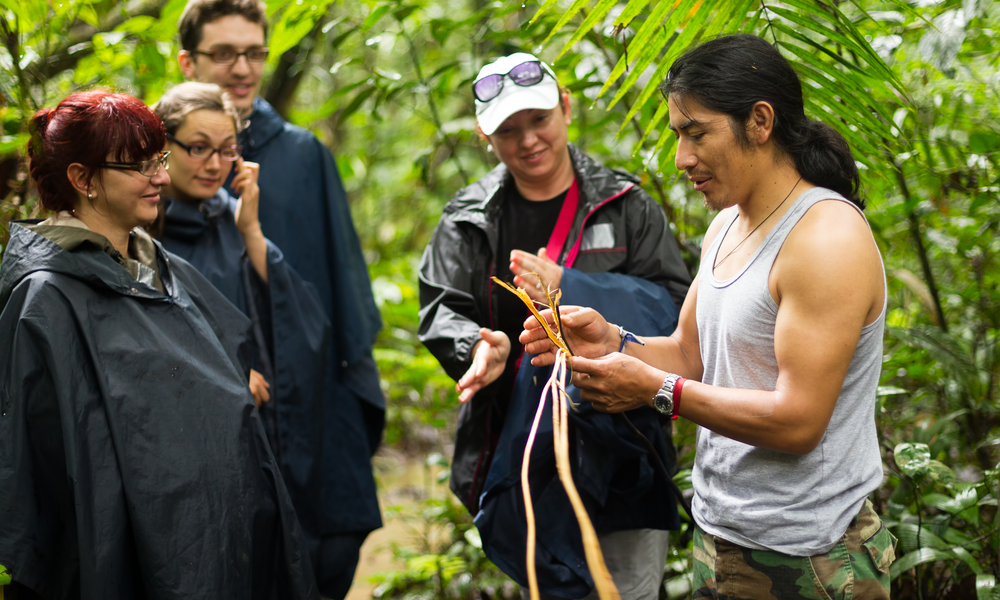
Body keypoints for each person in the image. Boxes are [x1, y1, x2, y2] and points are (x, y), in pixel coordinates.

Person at [523, 35, 897, 598]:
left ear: (760, 121)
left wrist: (656, 390)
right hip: (720, 541)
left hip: (814, 559)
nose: (682, 159)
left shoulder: (827, 239)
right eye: (679, 135)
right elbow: (691, 356)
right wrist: (611, 343)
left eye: (697, 133)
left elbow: (798, 422)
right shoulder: (729, 223)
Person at [0, 91, 317, 599]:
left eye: (160, 160)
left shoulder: (161, 267)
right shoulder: (48, 298)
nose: (163, 179)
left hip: (219, 546)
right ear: (83, 180)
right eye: (141, 166)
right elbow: (57, 477)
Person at [418, 52, 691, 599]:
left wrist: (573, 285)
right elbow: (441, 306)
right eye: (508, 130)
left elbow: (677, 309)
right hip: (522, 451)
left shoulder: (625, 206)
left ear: (566, 108)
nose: (528, 140)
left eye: (539, 119)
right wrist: (480, 346)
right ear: (484, 136)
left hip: (622, 449)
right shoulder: (469, 218)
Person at [176, 1, 384, 596]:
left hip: (314, 396)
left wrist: (354, 391)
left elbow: (345, 288)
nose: (242, 69)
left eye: (254, 53)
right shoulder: (161, 156)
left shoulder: (301, 154)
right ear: (188, 61)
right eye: (223, 54)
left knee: (331, 550)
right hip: (217, 416)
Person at [150, 81, 332, 566]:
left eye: (226, 150)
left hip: (254, 432)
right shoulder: (141, 228)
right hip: (183, 450)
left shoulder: (229, 214)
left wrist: (250, 227)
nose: (214, 164)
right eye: (198, 148)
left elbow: (296, 317)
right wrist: (227, 373)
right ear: (161, 149)